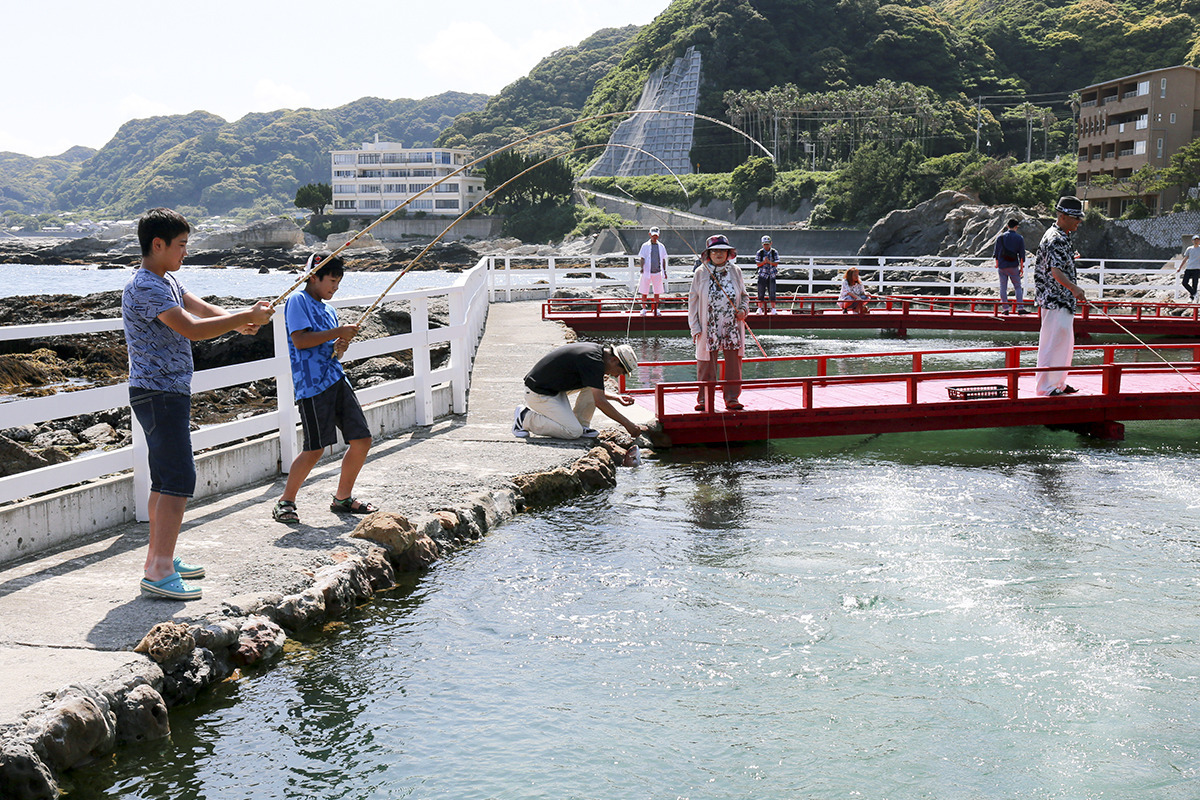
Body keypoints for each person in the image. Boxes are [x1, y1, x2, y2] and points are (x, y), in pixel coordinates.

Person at [123, 208, 274, 600]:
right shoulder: (145, 287)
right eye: (181, 245)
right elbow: (190, 328)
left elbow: (203, 310)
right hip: (159, 394)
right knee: (179, 479)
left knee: (164, 479)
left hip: (165, 392)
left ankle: (160, 559)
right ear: (158, 245)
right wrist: (243, 316)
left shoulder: (167, 280)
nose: (185, 253)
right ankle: (158, 571)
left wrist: (241, 321)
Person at [272, 253, 378, 525]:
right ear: (313, 277)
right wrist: (338, 332)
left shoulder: (329, 310)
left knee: (362, 439)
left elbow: (332, 352)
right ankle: (286, 502)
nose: (334, 287)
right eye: (331, 281)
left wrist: (340, 347)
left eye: (338, 283)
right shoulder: (298, 300)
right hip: (312, 386)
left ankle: (342, 498)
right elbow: (301, 341)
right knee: (315, 448)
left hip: (336, 378)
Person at [512, 342, 645, 440]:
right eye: (621, 371)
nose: (617, 376)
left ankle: (582, 425)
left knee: (592, 387)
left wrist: (616, 397)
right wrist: (629, 425)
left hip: (553, 390)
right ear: (614, 360)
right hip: (538, 393)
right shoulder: (593, 361)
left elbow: (595, 391)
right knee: (572, 432)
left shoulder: (597, 354)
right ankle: (524, 418)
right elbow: (600, 401)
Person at [1033, 195, 1088, 397]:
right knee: (1052, 342)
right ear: (1063, 216)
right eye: (1076, 218)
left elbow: (1058, 264)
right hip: (1054, 298)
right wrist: (1075, 288)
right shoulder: (1055, 238)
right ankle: (1046, 387)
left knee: (1064, 342)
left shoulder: (1062, 235)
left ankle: (1059, 384)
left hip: (1063, 300)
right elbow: (1055, 272)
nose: (1079, 222)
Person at [688, 234, 750, 411]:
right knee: (706, 365)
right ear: (708, 254)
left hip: (731, 325)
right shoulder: (701, 272)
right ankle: (704, 399)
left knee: (733, 364)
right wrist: (695, 327)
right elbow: (692, 302)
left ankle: (732, 398)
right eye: (714, 250)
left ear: (728, 252)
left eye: (722, 250)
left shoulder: (735, 271)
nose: (718, 254)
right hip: (709, 326)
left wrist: (743, 311)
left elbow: (745, 296)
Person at [993, 218, 1029, 314]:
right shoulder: (1019, 238)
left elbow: (996, 253)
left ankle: (1005, 309)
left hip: (1002, 266)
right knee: (1017, 287)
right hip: (1013, 266)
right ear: (1016, 227)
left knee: (1003, 287)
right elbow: (1022, 255)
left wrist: (997, 264)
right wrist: (1021, 268)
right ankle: (1020, 308)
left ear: (1007, 226)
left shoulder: (1000, 238)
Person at [637, 227, 669, 316]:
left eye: (656, 236)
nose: (655, 237)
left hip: (657, 271)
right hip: (647, 271)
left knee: (657, 291)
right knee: (644, 290)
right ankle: (643, 308)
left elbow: (663, 259)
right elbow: (642, 257)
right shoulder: (645, 245)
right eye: (653, 235)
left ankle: (656, 308)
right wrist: (642, 267)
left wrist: (665, 271)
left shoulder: (661, 246)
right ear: (650, 234)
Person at [755, 235, 779, 314]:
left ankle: (773, 309)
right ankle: (759, 308)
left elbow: (776, 263)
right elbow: (758, 264)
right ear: (762, 244)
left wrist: (768, 262)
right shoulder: (760, 252)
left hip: (771, 275)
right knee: (760, 292)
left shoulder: (774, 252)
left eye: (767, 244)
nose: (766, 246)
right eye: (764, 244)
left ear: (771, 243)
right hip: (762, 275)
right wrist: (764, 262)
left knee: (772, 292)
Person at [1177, 234, 1200, 301]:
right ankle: (1194, 293)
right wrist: (1180, 267)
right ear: (1192, 241)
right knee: (1184, 282)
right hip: (1189, 268)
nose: (1196, 241)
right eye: (1195, 240)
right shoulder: (1189, 249)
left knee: (1194, 283)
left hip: (1197, 268)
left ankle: (1191, 297)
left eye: (1198, 240)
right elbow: (1185, 258)